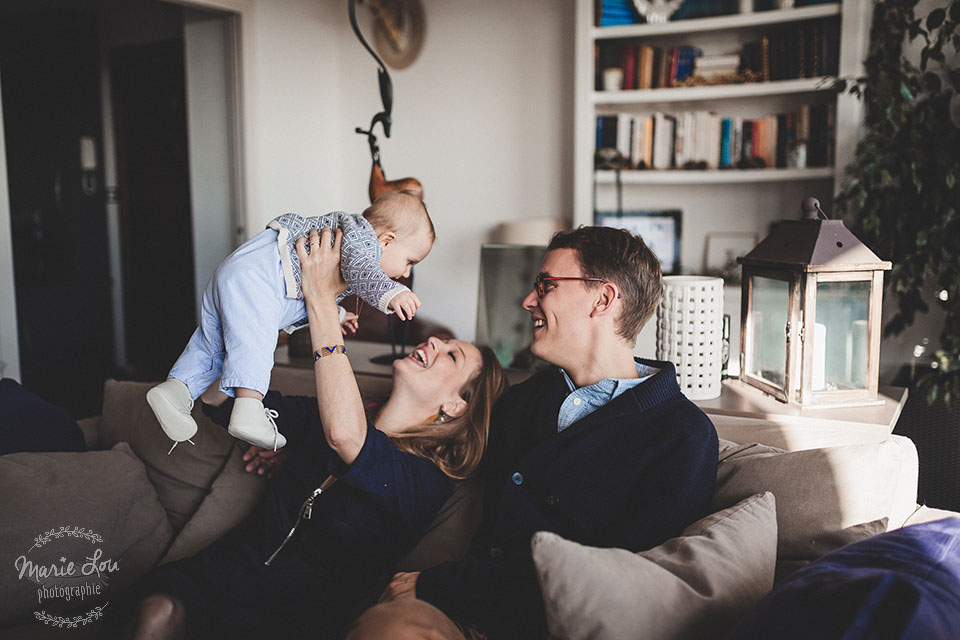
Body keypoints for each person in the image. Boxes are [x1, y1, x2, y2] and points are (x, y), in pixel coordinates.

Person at [125, 226, 507, 640]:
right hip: (228, 570)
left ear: (456, 406)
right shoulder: (317, 417)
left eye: (453, 355)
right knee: (155, 611)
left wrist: (322, 300)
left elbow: (346, 435)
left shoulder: (424, 481)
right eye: (442, 341)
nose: (433, 341)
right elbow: (219, 401)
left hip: (295, 616)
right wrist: (255, 320)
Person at [351, 225, 720, 640]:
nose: (528, 301)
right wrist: (298, 438)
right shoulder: (523, 402)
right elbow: (433, 440)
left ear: (603, 299)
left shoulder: (683, 437)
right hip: (463, 621)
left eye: (545, 285)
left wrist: (443, 583)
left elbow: (628, 579)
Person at [147, 190, 434, 453]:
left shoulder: (345, 240)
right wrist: (392, 292)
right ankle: (249, 408)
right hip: (259, 279)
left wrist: (339, 316)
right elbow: (361, 269)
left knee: (212, 343)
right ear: (386, 241)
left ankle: (175, 390)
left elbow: (314, 291)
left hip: (238, 272)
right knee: (256, 343)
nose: (406, 273)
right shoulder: (362, 239)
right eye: (410, 261)